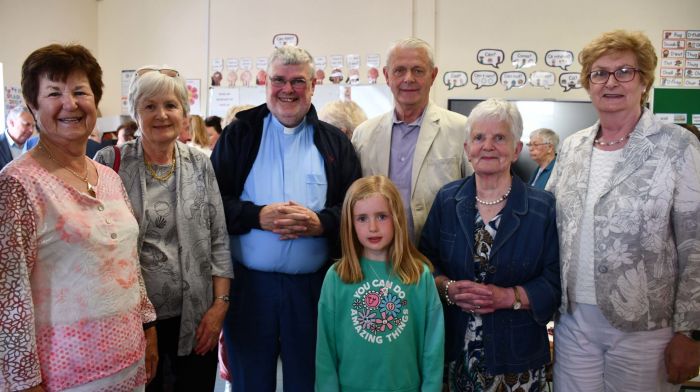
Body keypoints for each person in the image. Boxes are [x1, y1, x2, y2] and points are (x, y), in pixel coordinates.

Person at [546, 30, 700, 391]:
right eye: (599, 73)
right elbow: (550, 221)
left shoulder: (677, 146)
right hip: (573, 324)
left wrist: (691, 332)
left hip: (646, 329)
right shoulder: (572, 147)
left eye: (624, 72)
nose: (611, 82)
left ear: (644, 80)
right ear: (588, 83)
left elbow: (696, 245)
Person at [0, 43, 157, 391]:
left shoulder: (109, 177)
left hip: (129, 363)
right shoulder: (18, 185)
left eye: (80, 91)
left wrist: (148, 326)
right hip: (65, 378)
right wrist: (22, 382)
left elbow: (128, 261)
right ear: (32, 105)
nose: (70, 103)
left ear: (95, 102)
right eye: (54, 92)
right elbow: (8, 297)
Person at [211, 45, 361, 392]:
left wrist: (320, 223)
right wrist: (256, 215)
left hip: (311, 290)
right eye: (279, 79)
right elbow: (212, 203)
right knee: (251, 382)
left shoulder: (334, 142)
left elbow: (353, 208)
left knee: (308, 382)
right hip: (250, 288)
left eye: (297, 81)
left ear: (313, 86)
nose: (287, 89)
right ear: (266, 82)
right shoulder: (240, 134)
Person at [94, 65, 234, 392]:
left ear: (184, 113)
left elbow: (218, 240)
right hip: (130, 322)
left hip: (197, 318)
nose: (161, 114)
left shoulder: (200, 163)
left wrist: (219, 307)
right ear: (135, 112)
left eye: (170, 105)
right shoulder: (109, 162)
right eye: (150, 106)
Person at [419, 98, 561, 391]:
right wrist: (447, 288)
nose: (488, 146)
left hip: (518, 359)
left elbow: (555, 281)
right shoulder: (448, 200)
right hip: (456, 354)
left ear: (516, 148)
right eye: (479, 138)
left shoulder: (542, 207)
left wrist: (508, 297)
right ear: (466, 149)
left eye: (500, 138)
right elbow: (423, 262)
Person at [315, 175, 444, 391]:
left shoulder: (419, 276)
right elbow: (325, 351)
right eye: (362, 218)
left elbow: (433, 347)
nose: (372, 227)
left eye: (382, 216)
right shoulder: (337, 277)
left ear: (397, 219)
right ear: (350, 223)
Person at [352, 37, 472, 242]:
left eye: (418, 70)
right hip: (380, 257)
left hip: (439, 258)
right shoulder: (363, 134)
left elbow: (476, 197)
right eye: (399, 70)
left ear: (433, 76)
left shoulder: (462, 129)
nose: (408, 78)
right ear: (387, 76)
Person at [1, 105, 36, 170]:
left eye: (33, 126)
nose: (31, 130)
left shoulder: (35, 146)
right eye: (27, 124)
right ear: (11, 123)